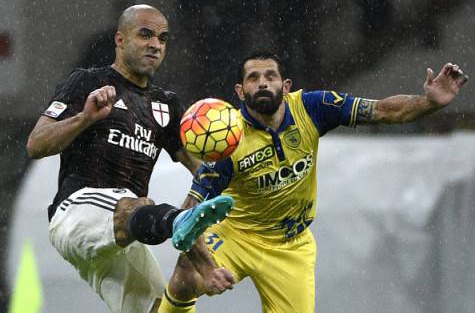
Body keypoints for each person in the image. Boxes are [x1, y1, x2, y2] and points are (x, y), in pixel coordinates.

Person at [157, 52, 469, 313]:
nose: (262, 82)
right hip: (239, 235)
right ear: (240, 91)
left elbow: (384, 110)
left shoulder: (313, 107)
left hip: (292, 246)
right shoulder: (226, 137)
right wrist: (206, 266)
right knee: (188, 273)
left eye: (270, 75)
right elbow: (187, 217)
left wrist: (429, 102)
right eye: (253, 78)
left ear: (286, 85)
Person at [26, 4, 233, 313]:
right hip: (77, 214)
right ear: (120, 39)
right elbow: (36, 144)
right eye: (145, 34)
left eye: (162, 38)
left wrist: (236, 179)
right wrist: (85, 118)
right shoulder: (88, 82)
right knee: (140, 204)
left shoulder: (166, 105)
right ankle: (174, 223)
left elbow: (203, 173)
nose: (155, 45)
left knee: (158, 308)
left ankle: (182, 236)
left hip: (123, 235)